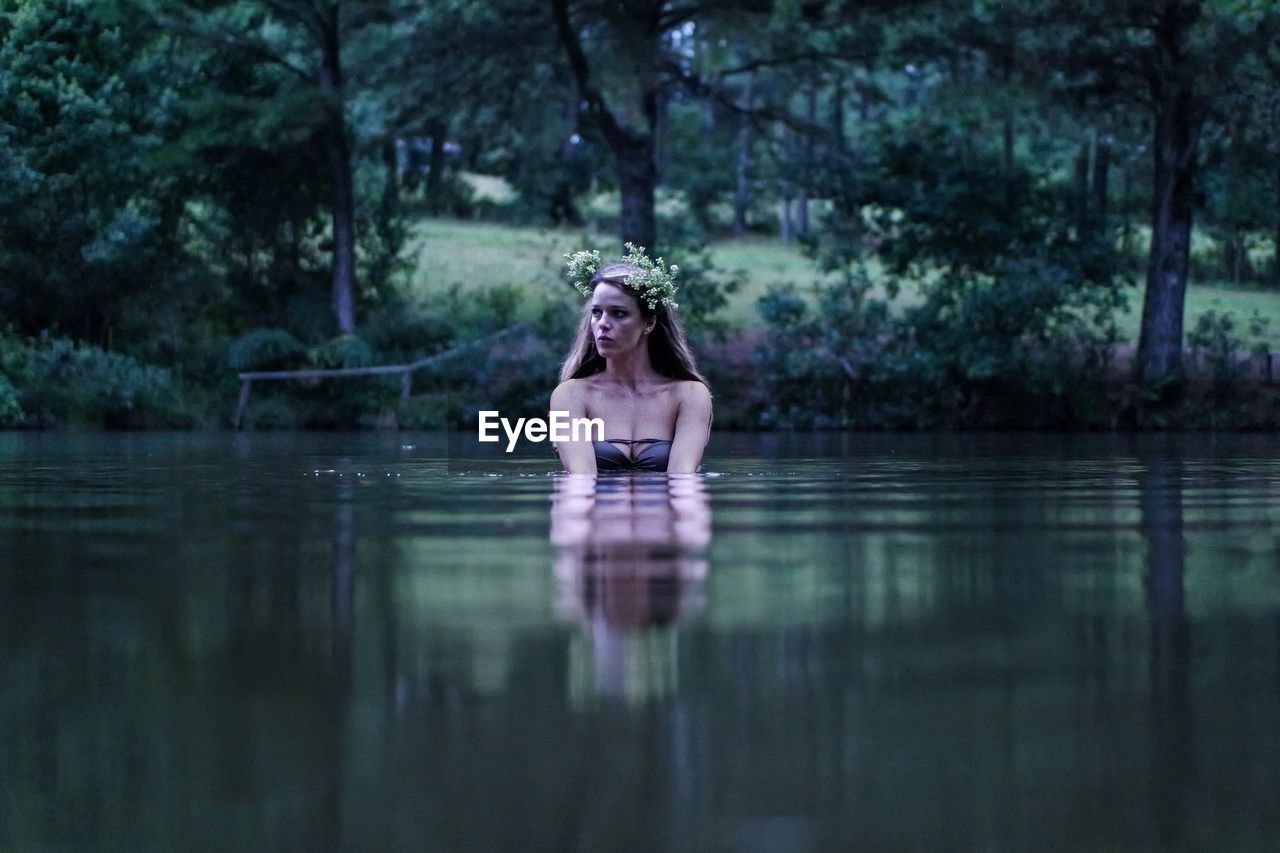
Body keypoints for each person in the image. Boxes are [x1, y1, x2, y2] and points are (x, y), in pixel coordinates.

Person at [551, 244, 712, 474]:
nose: (603, 324)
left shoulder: (690, 395)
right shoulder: (570, 396)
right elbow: (580, 481)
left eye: (619, 313)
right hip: (594, 509)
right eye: (597, 313)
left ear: (648, 322)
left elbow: (683, 481)